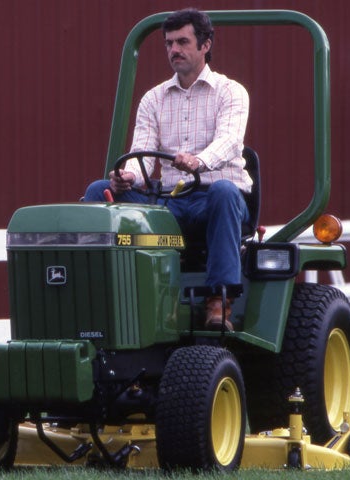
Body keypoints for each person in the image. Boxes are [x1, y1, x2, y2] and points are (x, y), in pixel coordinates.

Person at [83, 9, 252, 331]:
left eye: (183, 42)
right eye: (169, 43)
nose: (174, 50)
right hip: (171, 202)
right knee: (97, 189)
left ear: (205, 45)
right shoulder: (153, 99)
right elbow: (141, 153)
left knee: (224, 191)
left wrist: (199, 162)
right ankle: (99, 290)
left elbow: (230, 141)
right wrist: (128, 175)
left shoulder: (231, 92)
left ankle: (220, 299)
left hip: (215, 200)